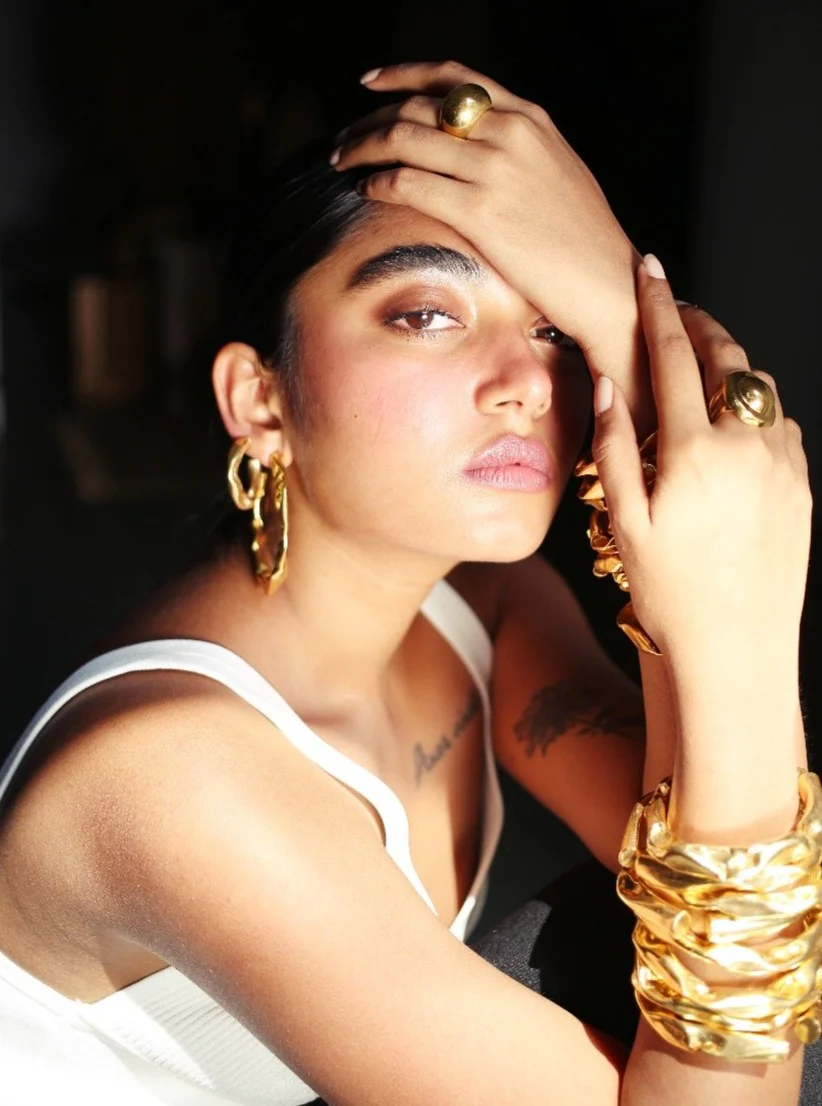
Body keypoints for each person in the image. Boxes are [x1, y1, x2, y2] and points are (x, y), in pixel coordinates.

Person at [0, 58, 816, 1106]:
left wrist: (623, 309)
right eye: (428, 314)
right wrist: (740, 623)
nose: (527, 386)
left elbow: (746, 867)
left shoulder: (488, 609)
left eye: (555, 330)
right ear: (259, 401)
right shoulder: (175, 774)